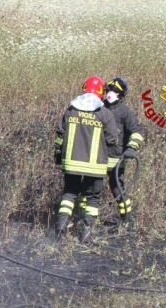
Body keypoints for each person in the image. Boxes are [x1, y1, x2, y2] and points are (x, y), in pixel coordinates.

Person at [53, 76, 119, 242]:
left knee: (69, 194)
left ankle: (60, 229)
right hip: (95, 166)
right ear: (101, 93)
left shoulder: (71, 110)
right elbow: (112, 139)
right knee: (92, 199)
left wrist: (58, 157)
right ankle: (86, 234)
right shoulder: (105, 114)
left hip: (71, 163)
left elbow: (59, 136)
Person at [104, 76, 145, 228]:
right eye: (109, 90)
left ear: (121, 95)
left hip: (116, 158)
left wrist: (131, 148)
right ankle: (85, 219)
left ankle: (127, 219)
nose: (111, 93)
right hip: (98, 157)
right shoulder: (99, 108)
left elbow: (137, 131)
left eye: (115, 91)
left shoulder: (124, 112)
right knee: (90, 189)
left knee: (117, 188)